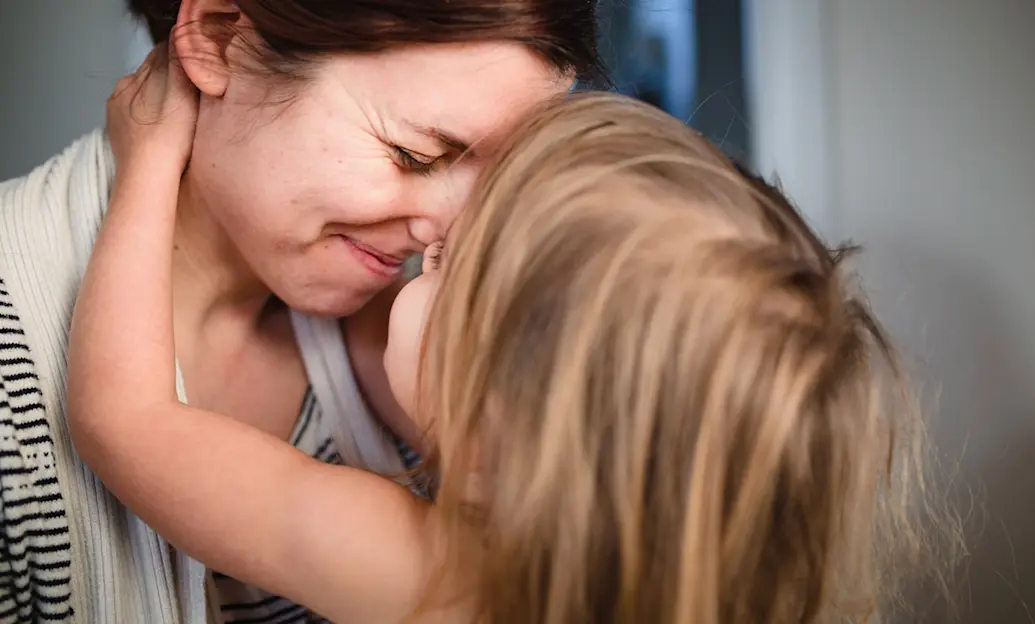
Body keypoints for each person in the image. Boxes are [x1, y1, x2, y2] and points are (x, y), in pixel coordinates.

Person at [66, 46, 945, 624]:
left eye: (448, 267)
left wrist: (145, 166)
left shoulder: (435, 579)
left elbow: (126, 420)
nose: (425, 237)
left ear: (494, 426)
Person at [0, 0, 599, 621]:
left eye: (493, 186)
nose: (443, 234)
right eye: (413, 156)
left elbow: (124, 419)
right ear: (218, 37)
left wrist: (144, 163)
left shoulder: (389, 360)